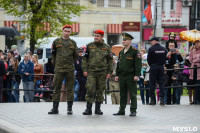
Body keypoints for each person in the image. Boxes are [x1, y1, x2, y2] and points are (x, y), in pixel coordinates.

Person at [48, 24, 78, 115]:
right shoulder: (56, 42)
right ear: (63, 31)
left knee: (70, 89)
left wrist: (70, 62)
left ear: (70, 32)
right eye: (65, 31)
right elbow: (53, 54)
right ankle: (55, 108)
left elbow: (76, 56)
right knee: (56, 88)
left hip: (69, 69)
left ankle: (69, 109)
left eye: (68, 31)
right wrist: (55, 63)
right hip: (59, 68)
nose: (66, 33)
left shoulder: (73, 43)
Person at [82, 29, 113, 115]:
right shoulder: (89, 46)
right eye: (95, 36)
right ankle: (88, 109)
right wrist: (84, 69)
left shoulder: (107, 47)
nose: (96, 37)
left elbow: (110, 61)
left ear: (102, 37)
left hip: (102, 72)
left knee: (100, 90)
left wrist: (109, 72)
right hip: (91, 72)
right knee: (90, 89)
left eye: (97, 36)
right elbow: (84, 59)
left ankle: (98, 109)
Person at [113, 33, 142, 116]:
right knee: (122, 94)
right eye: (123, 40)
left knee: (133, 94)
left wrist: (137, 75)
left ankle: (133, 110)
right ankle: (121, 110)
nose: (123, 41)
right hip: (122, 76)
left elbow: (138, 64)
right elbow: (119, 64)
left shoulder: (135, 51)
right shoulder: (121, 51)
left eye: (125, 40)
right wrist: (117, 75)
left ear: (130, 41)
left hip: (131, 76)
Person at [147, 36, 167, 106]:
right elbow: (165, 58)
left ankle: (152, 100)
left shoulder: (151, 49)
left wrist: (151, 65)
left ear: (155, 41)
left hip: (153, 67)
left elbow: (148, 60)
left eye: (151, 41)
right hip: (161, 67)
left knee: (152, 84)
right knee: (161, 83)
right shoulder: (164, 49)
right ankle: (162, 100)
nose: (150, 42)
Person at [189, 40, 200, 104]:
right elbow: (190, 60)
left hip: (199, 70)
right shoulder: (192, 51)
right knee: (194, 85)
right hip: (193, 70)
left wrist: (194, 60)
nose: (197, 44)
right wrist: (190, 51)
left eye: (198, 43)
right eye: (196, 43)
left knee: (198, 85)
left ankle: (198, 99)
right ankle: (195, 100)